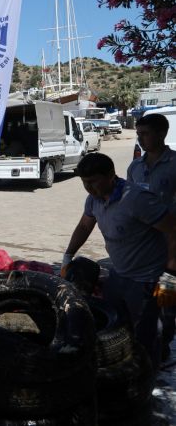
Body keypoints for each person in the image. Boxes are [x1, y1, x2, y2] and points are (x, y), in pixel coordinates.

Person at [62, 153, 176, 370]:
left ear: (111, 176)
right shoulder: (93, 200)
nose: (89, 188)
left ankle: (148, 377)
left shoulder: (136, 199)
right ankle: (126, 366)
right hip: (119, 274)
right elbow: (85, 226)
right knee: (114, 326)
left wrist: (171, 274)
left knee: (150, 334)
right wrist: (68, 255)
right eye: (84, 183)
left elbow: (173, 230)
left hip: (152, 279)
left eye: (93, 181)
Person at [127, 113, 176, 360]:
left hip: (171, 246)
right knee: (145, 299)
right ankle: (148, 340)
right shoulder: (135, 167)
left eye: (145, 133)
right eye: (138, 134)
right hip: (142, 248)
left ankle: (164, 342)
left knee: (167, 295)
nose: (140, 138)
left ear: (161, 134)